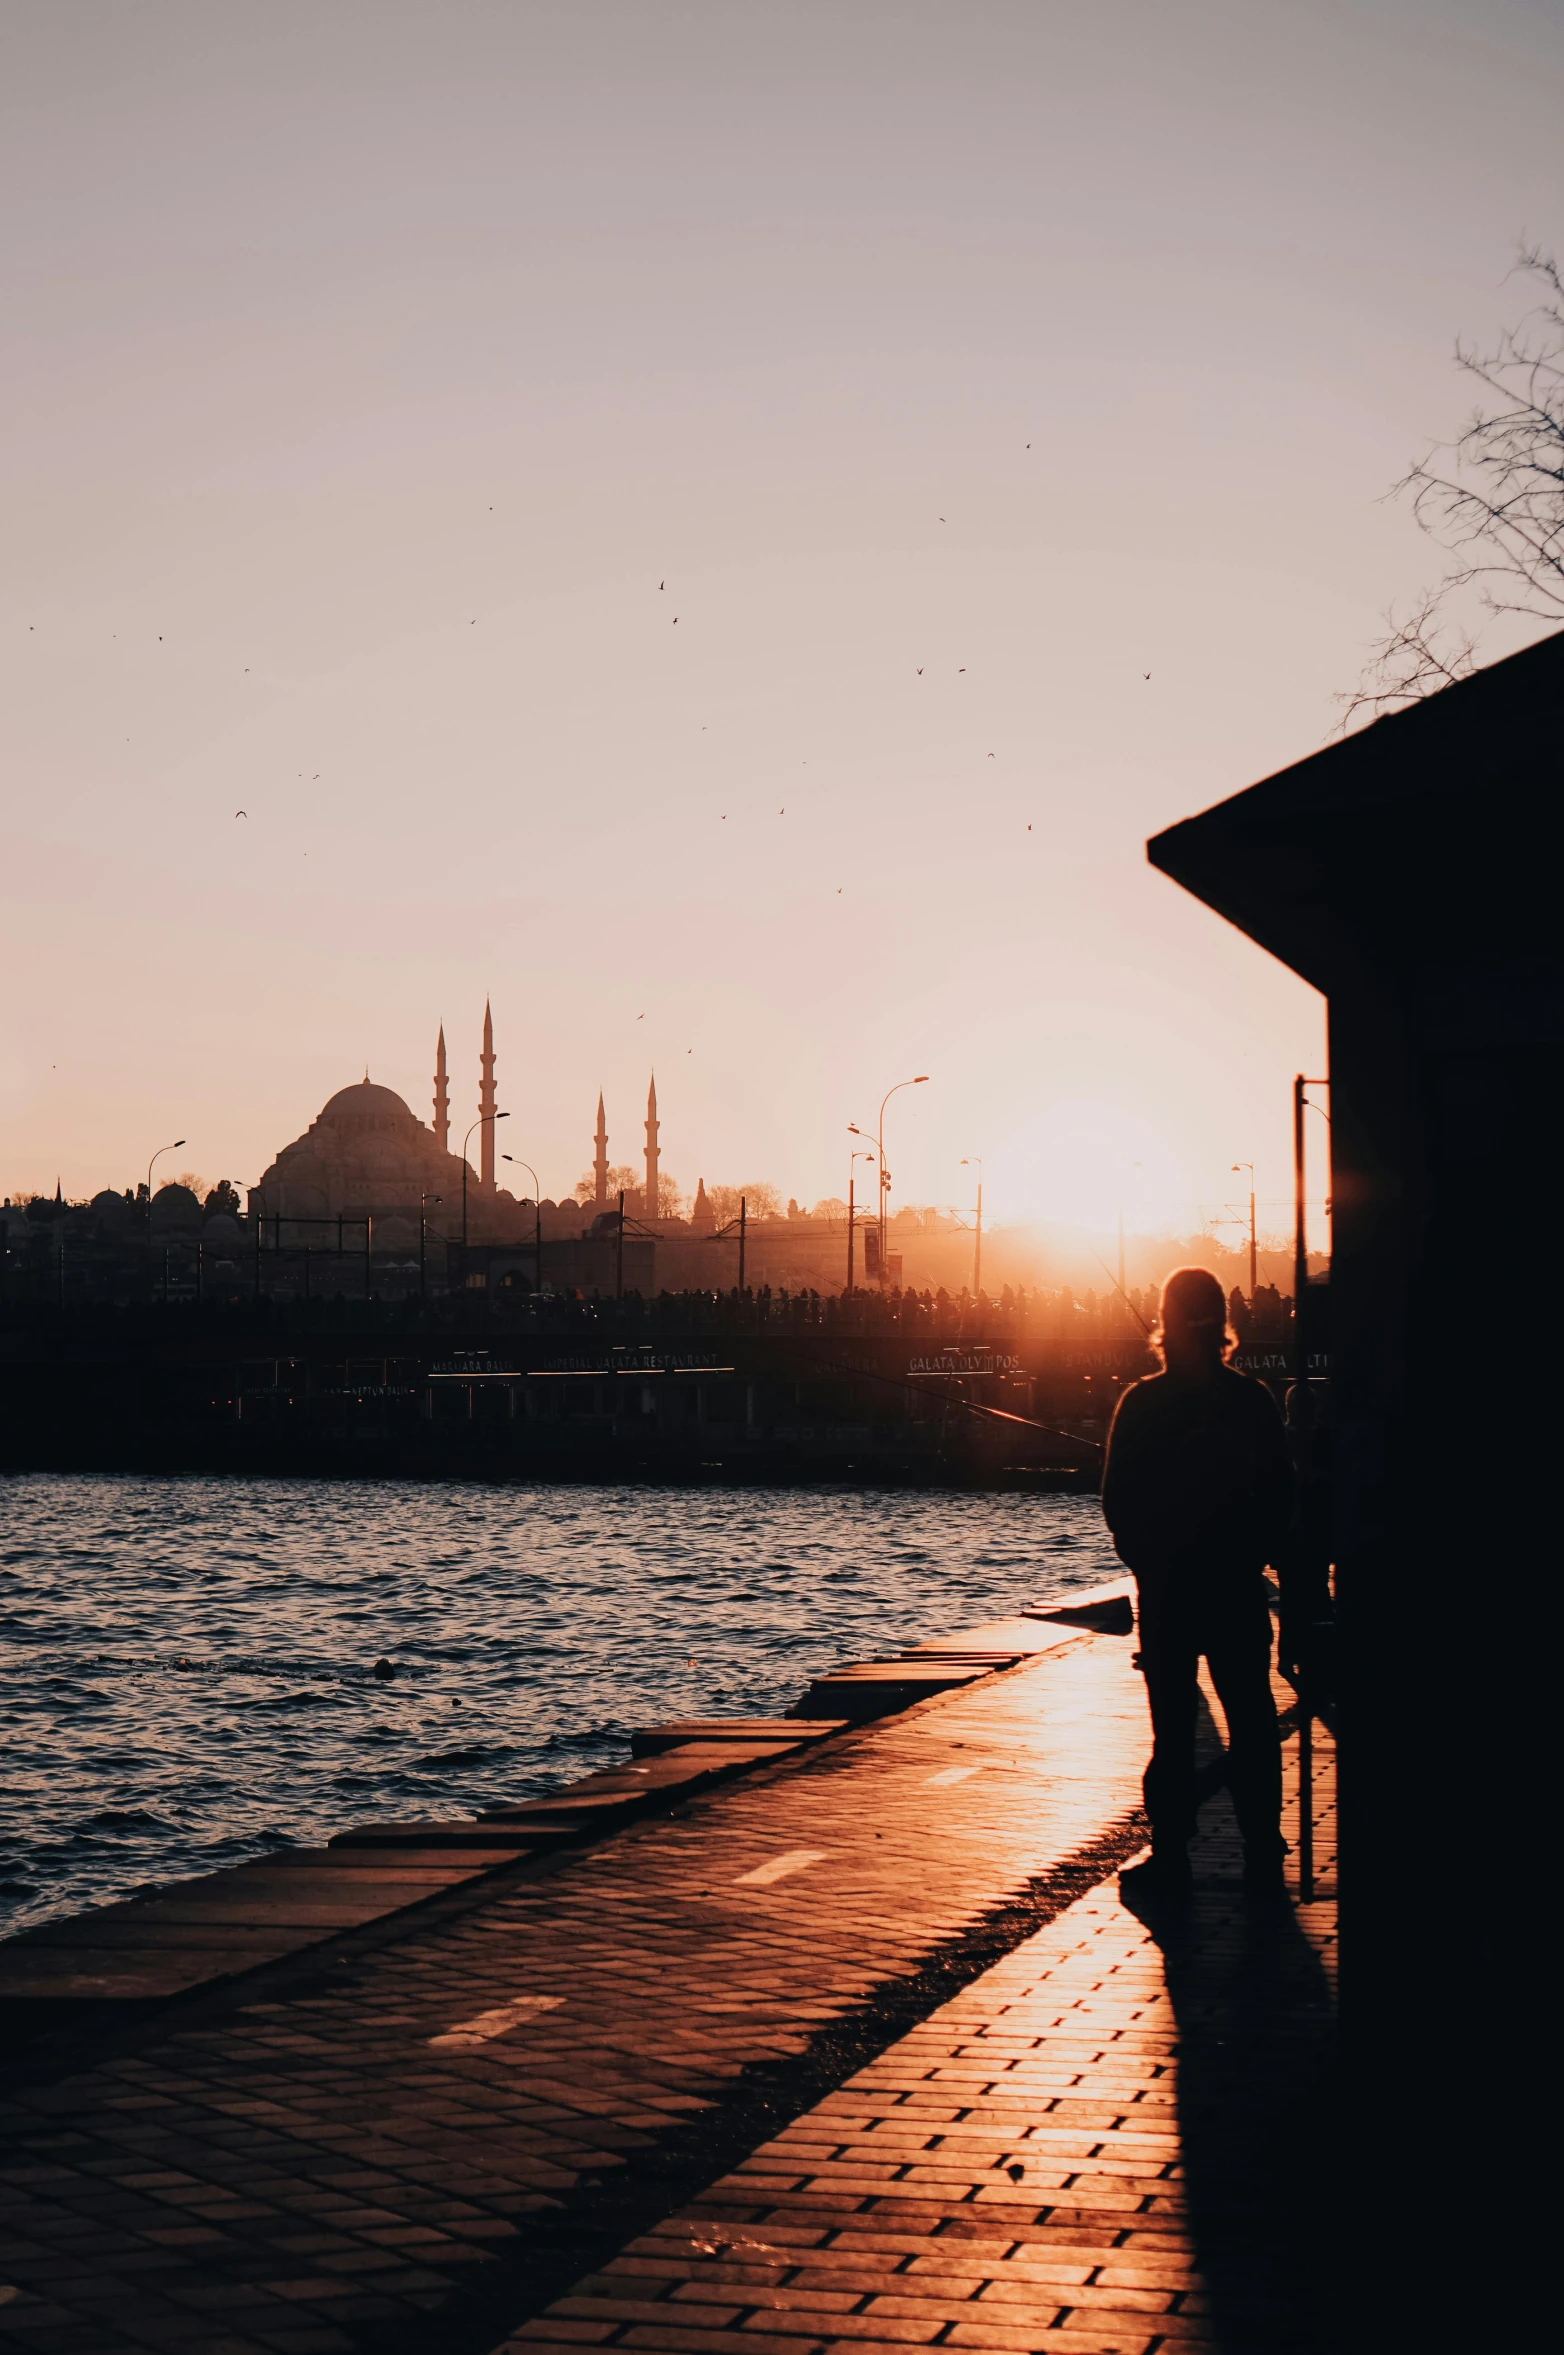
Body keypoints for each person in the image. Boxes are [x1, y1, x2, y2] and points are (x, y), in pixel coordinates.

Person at [1101, 1264, 1294, 1899]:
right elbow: (1279, 1497)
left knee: (1173, 1728)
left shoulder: (1142, 1402)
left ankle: (1173, 1854)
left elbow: (1118, 1500)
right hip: (1235, 1587)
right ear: (1222, 1325)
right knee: (1253, 1721)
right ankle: (1264, 1851)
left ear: (1165, 1321)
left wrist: (1148, 1564)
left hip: (1170, 1590)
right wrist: (1252, 1557)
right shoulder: (1252, 1401)